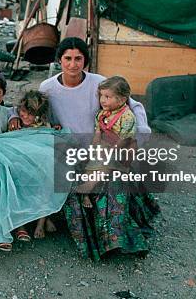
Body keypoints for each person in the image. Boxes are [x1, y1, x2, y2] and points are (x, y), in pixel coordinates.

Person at [10, 37, 159, 260]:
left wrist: (137, 136)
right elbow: (28, 107)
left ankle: (119, 241)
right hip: (66, 150)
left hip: (100, 148)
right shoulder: (48, 87)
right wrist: (13, 116)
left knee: (112, 182)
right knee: (73, 185)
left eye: (78, 58)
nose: (73, 64)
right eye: (67, 58)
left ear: (85, 61)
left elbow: (132, 104)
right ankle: (95, 242)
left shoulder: (98, 83)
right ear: (59, 60)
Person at [0, 72, 68, 250]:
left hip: (3, 154)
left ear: (3, 94)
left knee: (27, 168)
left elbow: (16, 114)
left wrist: (14, 116)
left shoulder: (6, 112)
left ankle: (24, 221)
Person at [81, 76, 136, 209]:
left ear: (122, 99)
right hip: (105, 146)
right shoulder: (101, 114)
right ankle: (86, 193)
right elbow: (98, 133)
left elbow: (124, 140)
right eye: (101, 96)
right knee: (90, 165)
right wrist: (93, 149)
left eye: (107, 97)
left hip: (121, 149)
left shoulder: (127, 116)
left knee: (105, 165)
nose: (102, 100)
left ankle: (86, 188)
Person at [14, 90, 58, 239]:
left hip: (41, 165)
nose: (24, 116)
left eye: (29, 113)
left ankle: (42, 221)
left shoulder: (45, 126)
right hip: (22, 164)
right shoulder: (17, 123)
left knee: (47, 183)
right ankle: (21, 224)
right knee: (20, 185)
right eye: (22, 112)